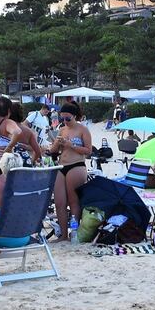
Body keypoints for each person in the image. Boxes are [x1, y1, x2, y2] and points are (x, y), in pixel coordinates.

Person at [49, 102, 92, 241]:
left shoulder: (82, 130)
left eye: (68, 118)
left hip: (77, 165)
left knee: (74, 201)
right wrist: (57, 143)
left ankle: (74, 232)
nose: (65, 121)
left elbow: (88, 151)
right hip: (62, 166)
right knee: (59, 203)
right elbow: (54, 151)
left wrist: (71, 145)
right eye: (63, 119)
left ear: (74, 116)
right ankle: (63, 234)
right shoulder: (62, 130)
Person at [10, 102, 43, 166]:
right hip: (24, 161)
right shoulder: (28, 131)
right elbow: (38, 151)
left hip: (10, 162)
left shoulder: (5, 128)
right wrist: (32, 161)